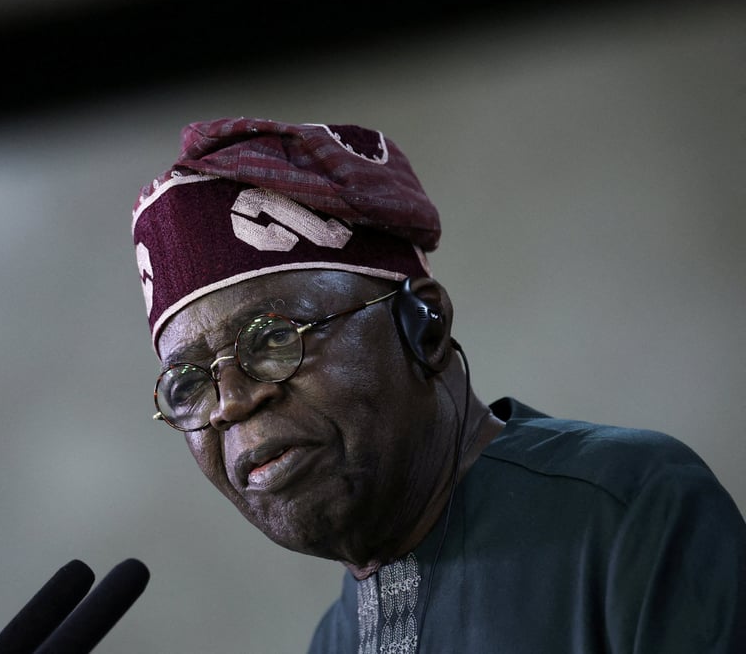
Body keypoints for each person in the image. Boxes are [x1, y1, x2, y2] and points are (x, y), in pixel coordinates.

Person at [130, 117, 746, 653]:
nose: (232, 402)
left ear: (421, 327)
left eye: (271, 339)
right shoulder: (333, 643)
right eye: (188, 385)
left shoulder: (625, 508)